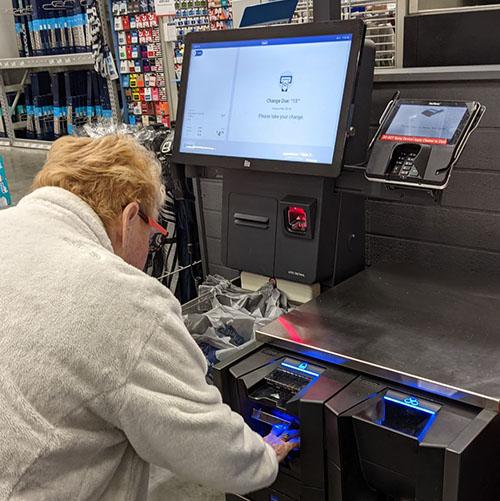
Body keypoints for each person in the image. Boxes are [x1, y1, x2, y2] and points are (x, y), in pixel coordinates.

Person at [0, 135, 298, 500]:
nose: (151, 248)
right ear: (129, 217)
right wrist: (263, 458)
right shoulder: (121, 299)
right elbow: (203, 442)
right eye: (154, 232)